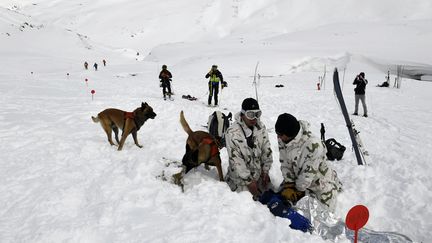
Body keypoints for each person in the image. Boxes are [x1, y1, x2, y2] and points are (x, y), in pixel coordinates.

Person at [275, 113, 342, 212]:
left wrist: (298, 191)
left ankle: (334, 184)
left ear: (290, 134)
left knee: (321, 213)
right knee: (280, 199)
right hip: (298, 175)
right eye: (277, 133)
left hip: (318, 180)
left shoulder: (313, 145)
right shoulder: (282, 137)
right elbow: (285, 161)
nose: (278, 137)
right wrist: (289, 183)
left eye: (280, 135)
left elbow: (307, 176)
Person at [225, 98, 273, 200]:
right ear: (242, 115)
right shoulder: (232, 133)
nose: (254, 118)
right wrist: (249, 182)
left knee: (271, 196)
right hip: (240, 179)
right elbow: (236, 160)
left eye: (257, 114)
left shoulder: (261, 127)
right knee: (248, 203)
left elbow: (266, 149)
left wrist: (265, 171)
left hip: (258, 176)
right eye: (250, 115)